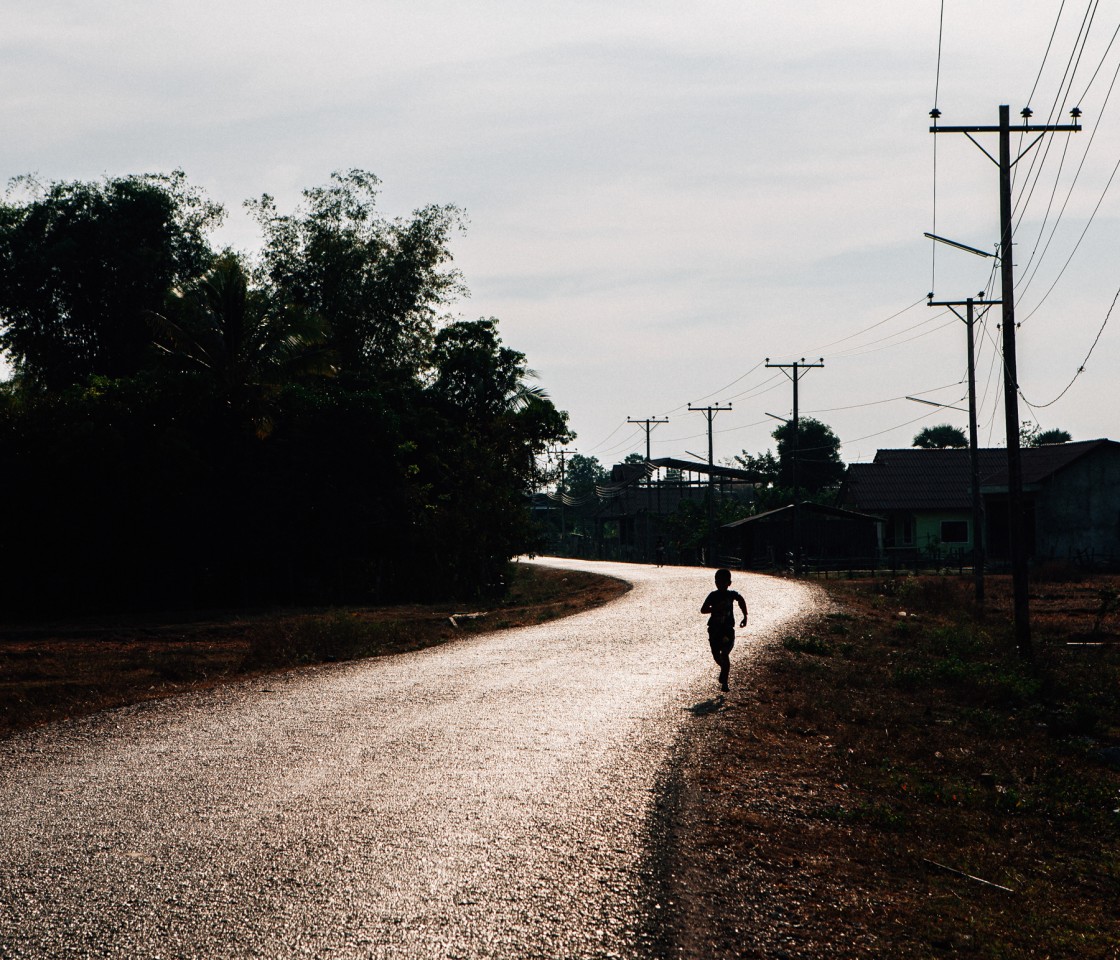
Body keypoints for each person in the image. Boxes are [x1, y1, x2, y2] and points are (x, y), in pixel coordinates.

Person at [700, 568, 748, 691]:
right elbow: (703, 609)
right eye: (718, 582)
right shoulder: (713, 595)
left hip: (727, 629)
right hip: (714, 629)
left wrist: (745, 616)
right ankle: (724, 669)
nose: (720, 584)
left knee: (725, 653)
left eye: (723, 582)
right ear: (715, 583)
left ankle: (725, 682)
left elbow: (741, 600)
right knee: (716, 655)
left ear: (729, 583)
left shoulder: (731, 595)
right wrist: (715, 608)